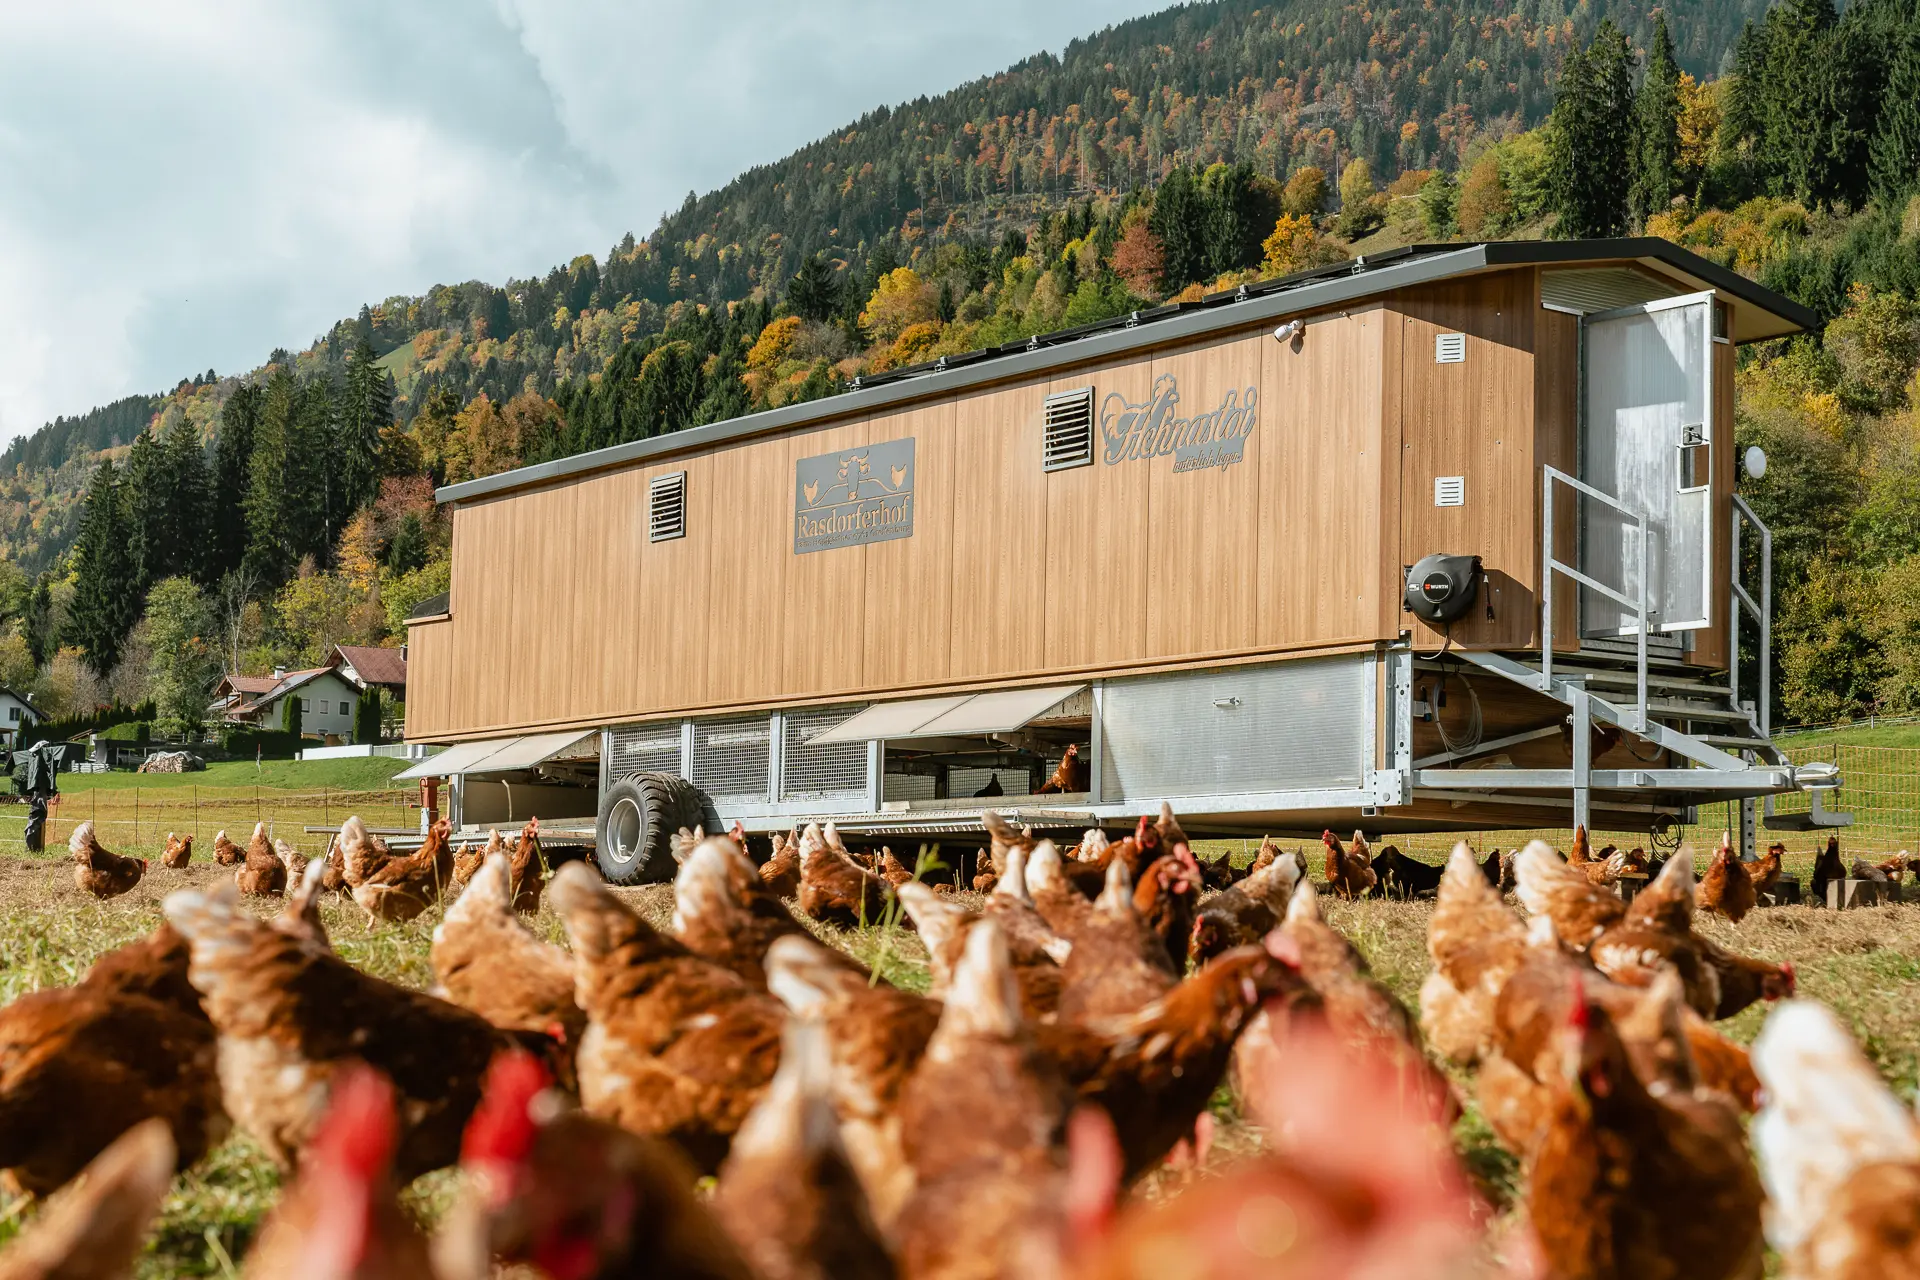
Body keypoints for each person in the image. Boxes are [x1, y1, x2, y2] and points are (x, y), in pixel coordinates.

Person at [13, 740, 66, 852]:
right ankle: (32, 847)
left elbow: (15, 757)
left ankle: (34, 847)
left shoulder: (47, 754)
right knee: (36, 816)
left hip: (41, 789)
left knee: (37, 816)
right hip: (39, 791)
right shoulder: (36, 755)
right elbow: (15, 757)